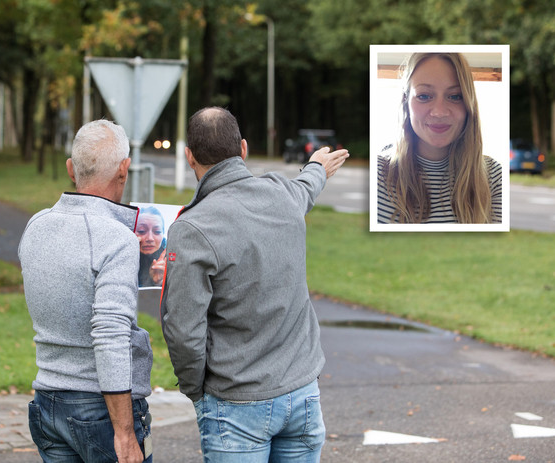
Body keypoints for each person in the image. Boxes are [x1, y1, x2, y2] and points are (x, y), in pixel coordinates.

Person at [160, 106, 349, 462]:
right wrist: (317, 168)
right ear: (243, 148)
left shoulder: (191, 229)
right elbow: (306, 188)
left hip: (236, 405)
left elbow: (183, 329)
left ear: (189, 157)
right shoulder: (281, 193)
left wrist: (195, 391)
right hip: (303, 394)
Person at [18, 119, 153, 463]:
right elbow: (109, 334)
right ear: (124, 170)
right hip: (101, 410)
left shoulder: (36, 225)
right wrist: (123, 431)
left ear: (70, 169)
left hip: (47, 402)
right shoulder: (116, 239)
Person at [377, 52, 503, 224]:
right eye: (424, 96)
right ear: (405, 101)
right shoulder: (377, 173)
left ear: (469, 104)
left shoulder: (494, 177)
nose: (439, 112)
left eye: (455, 96)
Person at [136, 206, 166, 287]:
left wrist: (159, 282)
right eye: (142, 231)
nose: (150, 238)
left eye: (157, 231)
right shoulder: (120, 254)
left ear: (163, 234)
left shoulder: (172, 258)